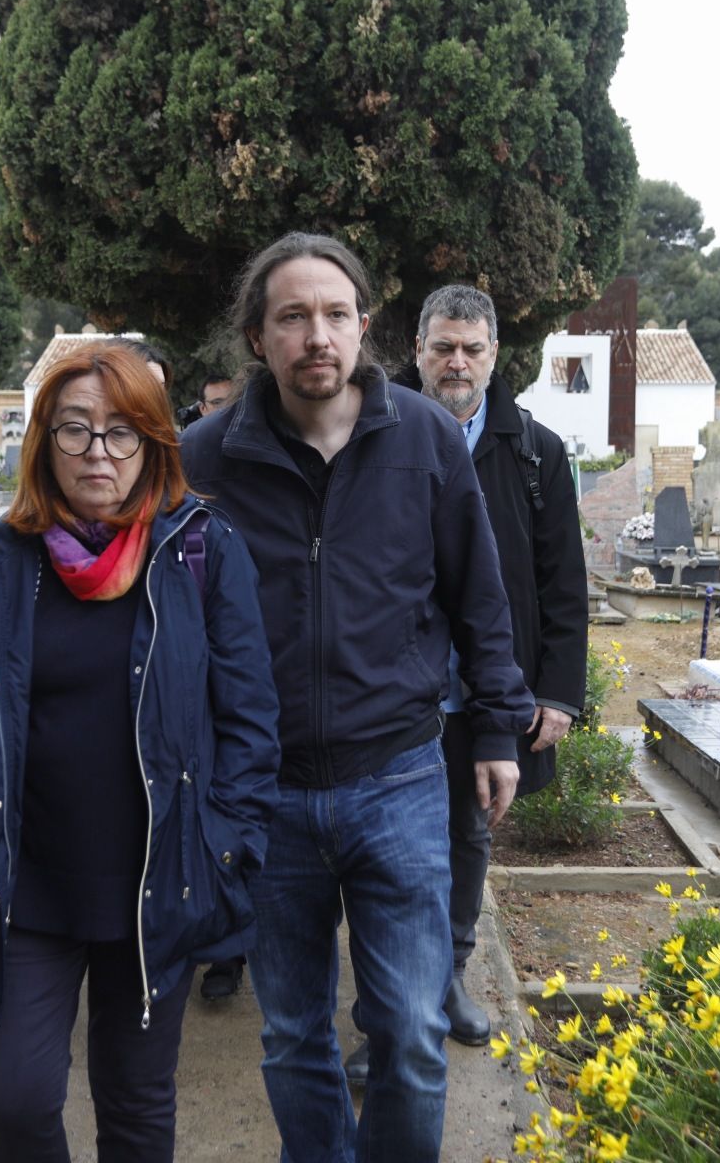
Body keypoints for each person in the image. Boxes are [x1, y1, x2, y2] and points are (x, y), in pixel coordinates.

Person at [180, 233, 533, 1162]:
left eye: (335, 314)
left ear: (365, 328)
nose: (316, 336)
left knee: (412, 1035)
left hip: (401, 782)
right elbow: (169, 627)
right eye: (291, 317)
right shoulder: (206, 461)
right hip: (269, 794)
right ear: (258, 337)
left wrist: (496, 726)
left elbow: (478, 594)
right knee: (294, 1038)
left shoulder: (420, 440)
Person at [0, 346, 282, 1162]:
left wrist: (225, 849)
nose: (98, 455)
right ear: (44, 444)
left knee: (137, 1103)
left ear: (154, 443)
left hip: (157, 882)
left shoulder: (201, 553)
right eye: (75, 432)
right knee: (13, 1098)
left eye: (121, 434)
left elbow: (251, 722)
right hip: (26, 885)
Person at [329, 284, 589, 1082]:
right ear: (417, 350)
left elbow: (562, 584)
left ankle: (447, 979)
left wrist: (555, 692)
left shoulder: (535, 453)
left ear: (495, 356)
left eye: (473, 349)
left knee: (467, 843)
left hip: (481, 696)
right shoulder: (373, 435)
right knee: (389, 863)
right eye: (443, 347)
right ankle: (388, 1013)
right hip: (393, 695)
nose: (457, 363)